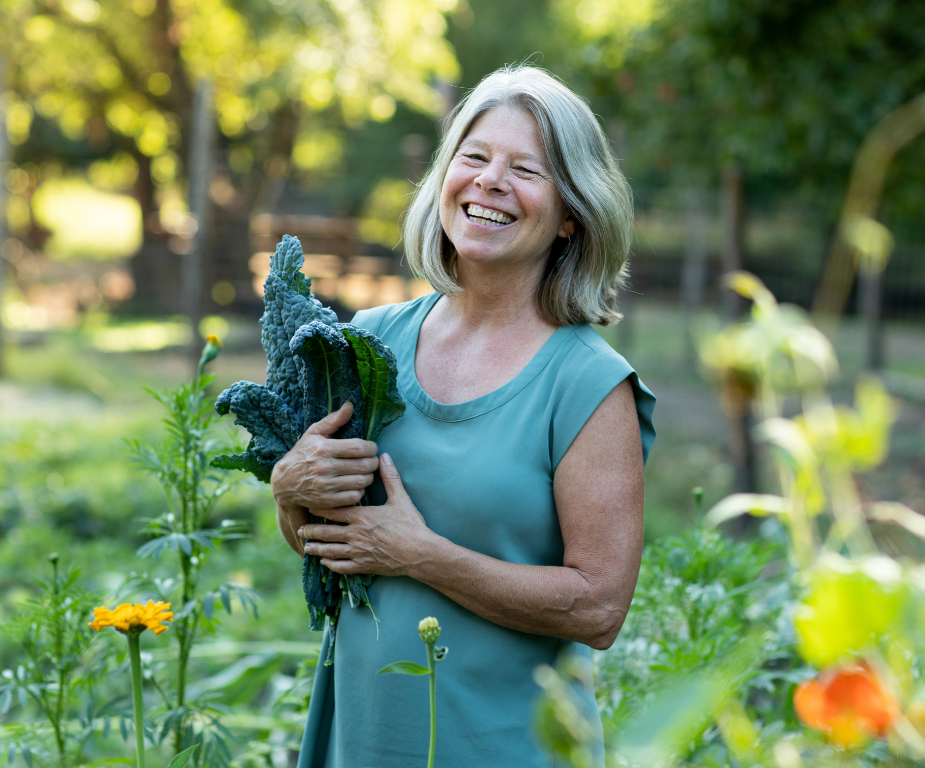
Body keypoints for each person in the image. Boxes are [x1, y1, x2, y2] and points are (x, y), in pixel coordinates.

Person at [272, 65, 656, 768]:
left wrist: (419, 555)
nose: (490, 181)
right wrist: (290, 491)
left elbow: (599, 608)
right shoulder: (368, 341)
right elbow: (325, 542)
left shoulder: (588, 384)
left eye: (526, 170)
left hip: (506, 748)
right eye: (474, 157)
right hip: (361, 738)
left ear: (571, 215)